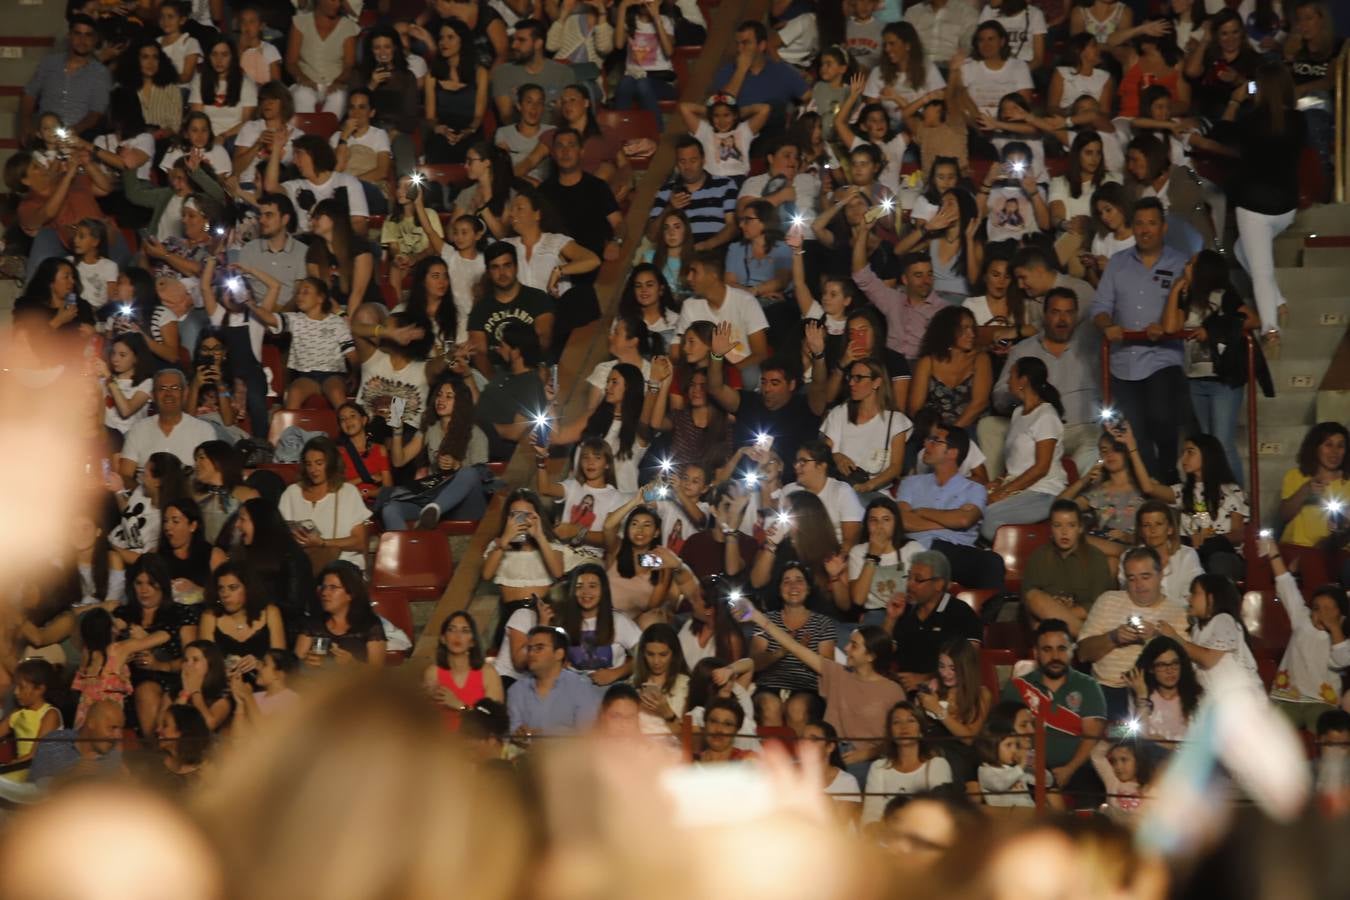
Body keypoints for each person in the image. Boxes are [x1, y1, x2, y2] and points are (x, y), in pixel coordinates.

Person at [1089, 198, 1190, 483]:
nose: (1145, 230)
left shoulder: (1181, 262)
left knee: (1161, 416)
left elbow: (1191, 310)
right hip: (1124, 361)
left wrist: (1168, 329)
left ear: (1164, 227)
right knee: (1133, 431)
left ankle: (1169, 471)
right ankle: (1152, 488)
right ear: (1132, 227)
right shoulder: (1117, 264)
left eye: (1152, 223)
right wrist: (1107, 326)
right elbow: (1099, 309)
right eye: (1140, 223)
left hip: (1163, 359)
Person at [748, 604, 905, 784]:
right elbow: (794, 647)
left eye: (854, 645)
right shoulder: (837, 673)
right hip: (829, 753)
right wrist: (758, 617)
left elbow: (901, 735)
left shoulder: (892, 690)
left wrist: (867, 754)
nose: (845, 648)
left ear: (870, 656)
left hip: (868, 761)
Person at [1216, 61, 1306, 342]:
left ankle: (1271, 330)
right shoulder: (1298, 121)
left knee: (1262, 271)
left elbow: (1220, 133)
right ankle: (1277, 300)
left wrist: (1234, 99)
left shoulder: (1251, 121)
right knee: (1242, 250)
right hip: (1286, 207)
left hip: (1254, 206)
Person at [1077, 546, 1190, 719]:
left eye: (1146, 577)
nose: (1139, 585)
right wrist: (1113, 638)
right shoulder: (1108, 600)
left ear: (1160, 575)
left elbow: (1184, 665)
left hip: (1156, 694)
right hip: (1108, 690)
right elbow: (1083, 654)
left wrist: (1157, 639)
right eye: (1132, 579)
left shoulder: (1177, 612)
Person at [1002, 619, 1107, 802]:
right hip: (1027, 770)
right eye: (1047, 649)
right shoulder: (1018, 687)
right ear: (1036, 653)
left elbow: (1092, 735)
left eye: (1062, 649)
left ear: (1071, 651)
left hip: (1079, 770)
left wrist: (1070, 769)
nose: (1055, 656)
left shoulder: (1088, 686)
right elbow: (1006, 734)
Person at [898, 421, 1005, 590]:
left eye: (935, 441)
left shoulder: (975, 489)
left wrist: (921, 511)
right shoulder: (910, 483)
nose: (926, 444)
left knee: (992, 563)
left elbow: (963, 520)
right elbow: (902, 521)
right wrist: (949, 520)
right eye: (928, 440)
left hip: (955, 552)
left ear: (953, 453)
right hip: (917, 549)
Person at [981, 357, 1067, 541]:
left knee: (989, 518)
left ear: (1024, 380)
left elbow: (1041, 468)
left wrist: (1003, 493)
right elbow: (1017, 461)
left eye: (1011, 375)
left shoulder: (1046, 416)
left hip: (1043, 491)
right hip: (1018, 488)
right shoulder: (1018, 413)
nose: (1007, 380)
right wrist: (999, 481)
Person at [117, 556, 198, 739]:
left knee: (148, 691)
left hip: (170, 681)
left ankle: (159, 751)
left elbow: (191, 661)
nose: (144, 590)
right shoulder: (123, 614)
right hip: (129, 684)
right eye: (139, 583)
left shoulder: (181, 614)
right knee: (144, 689)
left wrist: (158, 664)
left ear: (162, 584)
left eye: (151, 583)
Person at [882, 549, 983, 686]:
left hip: (945, 690)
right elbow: (882, 654)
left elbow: (968, 663)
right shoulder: (904, 610)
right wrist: (890, 618)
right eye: (909, 577)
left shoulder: (960, 613)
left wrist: (925, 679)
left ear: (938, 584)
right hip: (902, 688)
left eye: (918, 579)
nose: (909, 584)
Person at [224, 498, 315, 640]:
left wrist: (252, 599)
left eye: (242, 519)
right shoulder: (243, 554)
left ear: (260, 523)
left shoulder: (292, 557)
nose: (237, 525)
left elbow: (294, 605)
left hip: (282, 632)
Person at [277, 436, 372, 571]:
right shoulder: (292, 493)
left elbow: (359, 542)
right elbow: (280, 535)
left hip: (342, 568)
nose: (313, 470)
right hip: (302, 565)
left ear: (331, 463)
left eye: (319, 463)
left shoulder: (348, 493)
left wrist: (322, 543)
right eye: (309, 464)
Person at [1023, 500, 1117, 635]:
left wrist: (1059, 612)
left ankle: (1083, 639)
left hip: (1086, 624)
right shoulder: (1039, 557)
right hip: (1047, 629)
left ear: (1080, 528)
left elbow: (1099, 605)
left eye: (1071, 525)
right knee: (1034, 597)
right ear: (1051, 528)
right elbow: (1030, 603)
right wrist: (1051, 609)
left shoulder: (1096, 558)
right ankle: (1084, 640)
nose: (1064, 532)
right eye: (1057, 525)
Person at [1158, 573, 1261, 694]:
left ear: (1211, 598)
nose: (1188, 598)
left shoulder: (1224, 620)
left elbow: (1208, 659)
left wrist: (1174, 637)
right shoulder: (1196, 629)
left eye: (1194, 593)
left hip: (1240, 698)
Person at [1277, 422, 1349, 588]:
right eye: (1328, 445)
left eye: (1340, 446)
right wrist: (1304, 491)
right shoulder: (1296, 476)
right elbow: (1283, 515)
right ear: (1316, 448)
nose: (1334, 452)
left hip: (1336, 549)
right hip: (1295, 548)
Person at [18, 15, 109, 145]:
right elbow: (29, 94)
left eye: (88, 35)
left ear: (95, 40)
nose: (82, 40)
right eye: (77, 34)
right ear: (69, 36)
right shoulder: (49, 63)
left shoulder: (100, 73)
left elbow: (96, 112)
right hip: (44, 138)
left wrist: (71, 133)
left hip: (79, 140)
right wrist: (26, 124)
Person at [468, 242, 556, 374]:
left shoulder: (538, 298)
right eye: (495, 267)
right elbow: (479, 354)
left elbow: (543, 339)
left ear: (516, 267)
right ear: (488, 272)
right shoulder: (480, 308)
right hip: (496, 372)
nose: (502, 273)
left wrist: (521, 368)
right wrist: (497, 385)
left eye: (507, 265)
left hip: (531, 367)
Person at [537, 128, 624, 261]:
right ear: (553, 154)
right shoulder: (543, 192)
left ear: (581, 152)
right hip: (555, 264)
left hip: (595, 264)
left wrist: (616, 242)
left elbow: (618, 223)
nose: (565, 151)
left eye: (571, 145)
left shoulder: (598, 187)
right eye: (560, 146)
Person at [861, 702, 954, 824]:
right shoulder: (879, 767)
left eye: (911, 720)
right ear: (890, 732)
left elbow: (941, 812)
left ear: (921, 730)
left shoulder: (937, 765)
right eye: (896, 722)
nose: (903, 727)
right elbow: (871, 814)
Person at [117, 370, 216, 485]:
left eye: (174, 388)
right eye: (162, 389)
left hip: (189, 500)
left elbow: (211, 475)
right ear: (153, 396)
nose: (168, 394)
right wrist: (141, 496)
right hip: (145, 499)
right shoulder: (138, 429)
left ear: (185, 393)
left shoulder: (204, 431)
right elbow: (125, 475)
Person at [853, 243, 945, 365]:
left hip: (921, 367)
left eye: (929, 274)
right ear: (905, 279)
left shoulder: (943, 310)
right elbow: (861, 276)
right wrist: (863, 232)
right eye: (919, 275)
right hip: (889, 362)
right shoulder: (893, 299)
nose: (926, 281)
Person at [710, 20, 810, 129]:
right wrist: (741, 70)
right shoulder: (727, 72)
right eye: (738, 43)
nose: (739, 49)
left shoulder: (780, 70)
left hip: (775, 135)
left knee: (776, 107)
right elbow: (722, 110)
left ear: (761, 46)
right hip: (740, 134)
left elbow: (809, 97)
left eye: (745, 43)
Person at [197, 562, 285, 685]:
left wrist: (258, 664)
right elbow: (205, 664)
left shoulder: (270, 613)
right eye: (221, 588)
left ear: (248, 588)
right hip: (224, 687)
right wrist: (221, 672)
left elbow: (281, 664)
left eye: (233, 588)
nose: (225, 594)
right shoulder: (210, 616)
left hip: (263, 686)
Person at [558, 563, 642, 690]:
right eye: (579, 586)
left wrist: (616, 673)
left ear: (603, 590)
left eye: (592, 586)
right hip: (573, 689)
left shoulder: (618, 620)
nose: (586, 592)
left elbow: (643, 654)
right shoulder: (563, 622)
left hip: (612, 690)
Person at [646, 138, 739, 253]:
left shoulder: (725, 185)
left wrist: (706, 245)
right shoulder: (666, 191)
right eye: (682, 161)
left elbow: (733, 226)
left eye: (693, 160)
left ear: (703, 160)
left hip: (715, 252)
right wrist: (670, 208)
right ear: (677, 164)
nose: (688, 167)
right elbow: (652, 235)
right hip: (679, 255)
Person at [507, 625, 603, 736]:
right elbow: (511, 733)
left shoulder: (581, 688)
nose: (531, 653)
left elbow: (587, 734)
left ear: (559, 654)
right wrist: (519, 734)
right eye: (529, 649)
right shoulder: (516, 690)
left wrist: (544, 736)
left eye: (539, 648)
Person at [908, 306, 992, 430]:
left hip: (971, 427)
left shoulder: (980, 359)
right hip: (933, 430)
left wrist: (951, 433)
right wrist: (933, 432)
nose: (972, 334)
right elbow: (915, 408)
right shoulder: (928, 362)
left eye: (972, 328)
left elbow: (979, 403)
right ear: (948, 331)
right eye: (964, 329)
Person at [295, 561, 386, 667]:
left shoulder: (370, 625)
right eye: (323, 587)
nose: (324, 593)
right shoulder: (313, 624)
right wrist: (305, 662)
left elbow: (376, 674)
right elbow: (295, 667)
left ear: (350, 594)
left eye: (333, 587)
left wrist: (353, 664)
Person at [424, 611, 505, 731]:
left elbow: (494, 719)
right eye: (451, 629)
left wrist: (460, 706)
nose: (457, 636)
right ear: (443, 638)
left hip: (477, 742)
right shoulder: (432, 673)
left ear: (472, 641)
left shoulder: (488, 673)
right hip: (442, 744)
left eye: (465, 631)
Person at [424, 19, 489, 166]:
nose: (443, 42)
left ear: (462, 41)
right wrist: (438, 128)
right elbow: (430, 117)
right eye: (441, 38)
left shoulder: (480, 73)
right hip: (443, 130)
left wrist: (469, 130)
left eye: (450, 37)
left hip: (470, 130)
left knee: (474, 148)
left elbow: (479, 115)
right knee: (437, 145)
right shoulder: (432, 75)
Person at [490, 18, 578, 123]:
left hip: (554, 134)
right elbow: (506, 117)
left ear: (538, 43)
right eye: (513, 40)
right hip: (519, 134)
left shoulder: (564, 73)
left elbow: (567, 114)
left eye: (521, 40)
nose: (514, 45)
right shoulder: (502, 73)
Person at [24, 700, 124, 787]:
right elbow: (33, 790)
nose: (118, 736)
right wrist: (68, 777)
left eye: (120, 729)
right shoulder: (54, 743)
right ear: (91, 723)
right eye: (112, 728)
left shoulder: (113, 756)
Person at [285, 0, 359, 115]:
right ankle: (306, 132)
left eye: (339, 1)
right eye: (332, 0)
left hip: (334, 83)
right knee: (303, 95)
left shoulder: (347, 26)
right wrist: (302, 78)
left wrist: (338, 81)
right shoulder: (300, 23)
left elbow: (349, 65)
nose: (337, 4)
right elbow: (291, 62)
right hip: (307, 82)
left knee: (338, 98)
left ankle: (328, 132)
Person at [1127, 635, 1203, 743]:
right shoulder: (1140, 695)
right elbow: (1138, 739)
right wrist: (1142, 697)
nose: (1170, 670)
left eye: (1175, 663)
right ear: (1151, 669)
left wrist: (1169, 746)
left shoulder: (1196, 697)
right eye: (1162, 665)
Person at [1130, 499, 1205, 605]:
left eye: (1158, 524)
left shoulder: (1187, 556)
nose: (1153, 530)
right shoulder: (1129, 558)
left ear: (1170, 528)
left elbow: (1192, 598)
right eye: (1146, 525)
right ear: (1141, 531)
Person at [0, 660, 62, 783]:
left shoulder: (50, 714)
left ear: (40, 689)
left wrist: (8, 766)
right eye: (16, 686)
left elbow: (35, 755)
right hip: (17, 768)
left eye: (21, 687)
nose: (16, 692)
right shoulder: (17, 714)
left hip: (37, 774)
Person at [904, 0, 979, 70]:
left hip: (951, 67)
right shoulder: (913, 12)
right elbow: (905, 41)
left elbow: (969, 44)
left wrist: (962, 56)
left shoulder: (966, 12)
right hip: (919, 68)